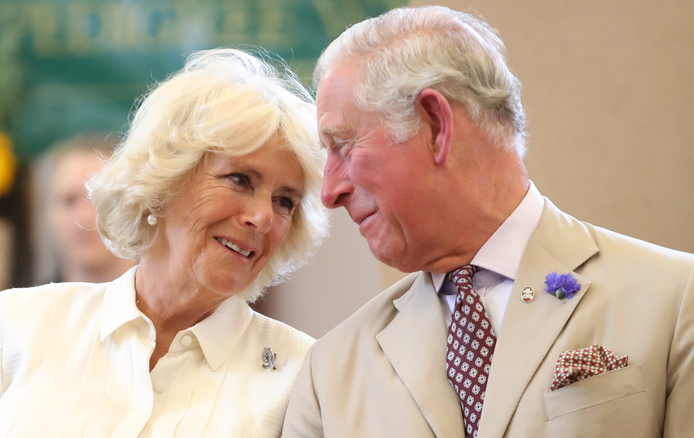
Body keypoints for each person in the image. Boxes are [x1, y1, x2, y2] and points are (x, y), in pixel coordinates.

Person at [282, 5, 694, 438]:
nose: (329, 193)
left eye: (344, 146)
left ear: (436, 125)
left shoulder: (677, 300)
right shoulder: (328, 373)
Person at [0, 47, 328, 437]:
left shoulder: (302, 372)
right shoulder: (17, 323)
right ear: (167, 182)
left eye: (285, 202)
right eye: (240, 180)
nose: (262, 217)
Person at [31, 133, 136, 284]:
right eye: (69, 201)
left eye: (100, 200)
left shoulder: (170, 305)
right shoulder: (27, 306)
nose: (84, 217)